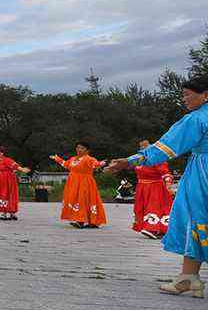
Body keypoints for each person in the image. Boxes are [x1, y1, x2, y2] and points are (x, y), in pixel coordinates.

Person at [108, 76, 208, 296]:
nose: (184, 99)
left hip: (203, 174)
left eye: (187, 94)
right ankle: (188, 277)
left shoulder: (197, 119)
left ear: (205, 95)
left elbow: (165, 148)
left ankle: (188, 278)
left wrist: (130, 161)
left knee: (196, 218)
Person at [51, 143, 107, 228]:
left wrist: (101, 163)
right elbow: (66, 165)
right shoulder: (73, 159)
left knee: (83, 199)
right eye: (78, 147)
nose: (79, 149)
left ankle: (82, 221)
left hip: (85, 183)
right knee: (75, 199)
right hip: (73, 183)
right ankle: (85, 220)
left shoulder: (89, 159)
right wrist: (57, 159)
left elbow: (95, 164)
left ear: (87, 151)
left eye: (82, 148)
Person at [130, 139, 174, 240]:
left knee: (153, 207)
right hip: (142, 187)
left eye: (146, 145)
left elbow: (165, 172)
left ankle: (152, 229)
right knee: (142, 207)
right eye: (141, 146)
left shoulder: (157, 158)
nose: (143, 148)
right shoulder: (139, 158)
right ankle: (153, 228)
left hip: (155, 187)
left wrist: (168, 183)